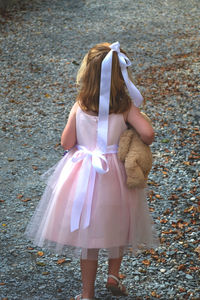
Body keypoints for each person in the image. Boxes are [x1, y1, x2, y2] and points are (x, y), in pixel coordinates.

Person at [25, 42, 158, 300]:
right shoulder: (124, 106)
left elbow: (66, 142)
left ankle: (87, 294)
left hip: (83, 175)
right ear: (120, 75)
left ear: (88, 73)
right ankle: (114, 275)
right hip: (115, 175)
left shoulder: (80, 104)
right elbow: (148, 134)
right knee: (118, 224)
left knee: (89, 237)